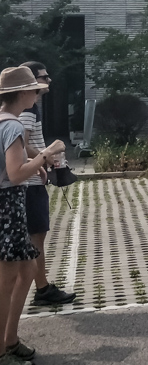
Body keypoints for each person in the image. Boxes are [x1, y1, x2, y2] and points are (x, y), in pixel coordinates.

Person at [0, 66, 63, 362]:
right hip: (8, 204)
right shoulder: (12, 126)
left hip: (6, 204)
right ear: (23, 93)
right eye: (34, 89)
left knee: (25, 270)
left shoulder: (2, 122)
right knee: (8, 278)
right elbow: (14, 174)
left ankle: (10, 339)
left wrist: (33, 158)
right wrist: (44, 155)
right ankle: (3, 346)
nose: (37, 93)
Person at [18, 62, 75, 306]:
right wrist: (46, 156)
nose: (49, 80)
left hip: (33, 180)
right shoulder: (28, 111)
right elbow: (22, 145)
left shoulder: (32, 109)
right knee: (36, 238)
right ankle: (41, 289)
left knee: (36, 236)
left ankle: (41, 286)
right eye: (44, 77)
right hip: (30, 184)